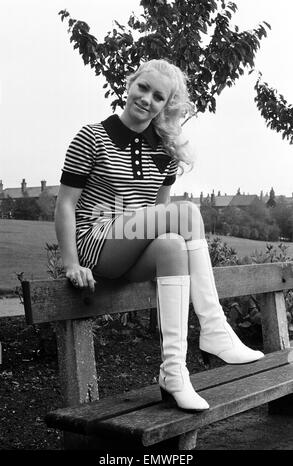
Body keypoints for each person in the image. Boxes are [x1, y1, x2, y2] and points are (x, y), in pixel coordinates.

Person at [55, 59, 264, 412]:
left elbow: (162, 220)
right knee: (187, 212)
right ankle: (214, 329)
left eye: (158, 96)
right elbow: (65, 205)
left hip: (134, 251)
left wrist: (171, 270)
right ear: (130, 83)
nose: (146, 99)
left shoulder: (165, 152)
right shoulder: (91, 137)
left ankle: (173, 372)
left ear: (165, 105)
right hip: (96, 240)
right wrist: (71, 262)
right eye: (143, 88)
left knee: (171, 245)